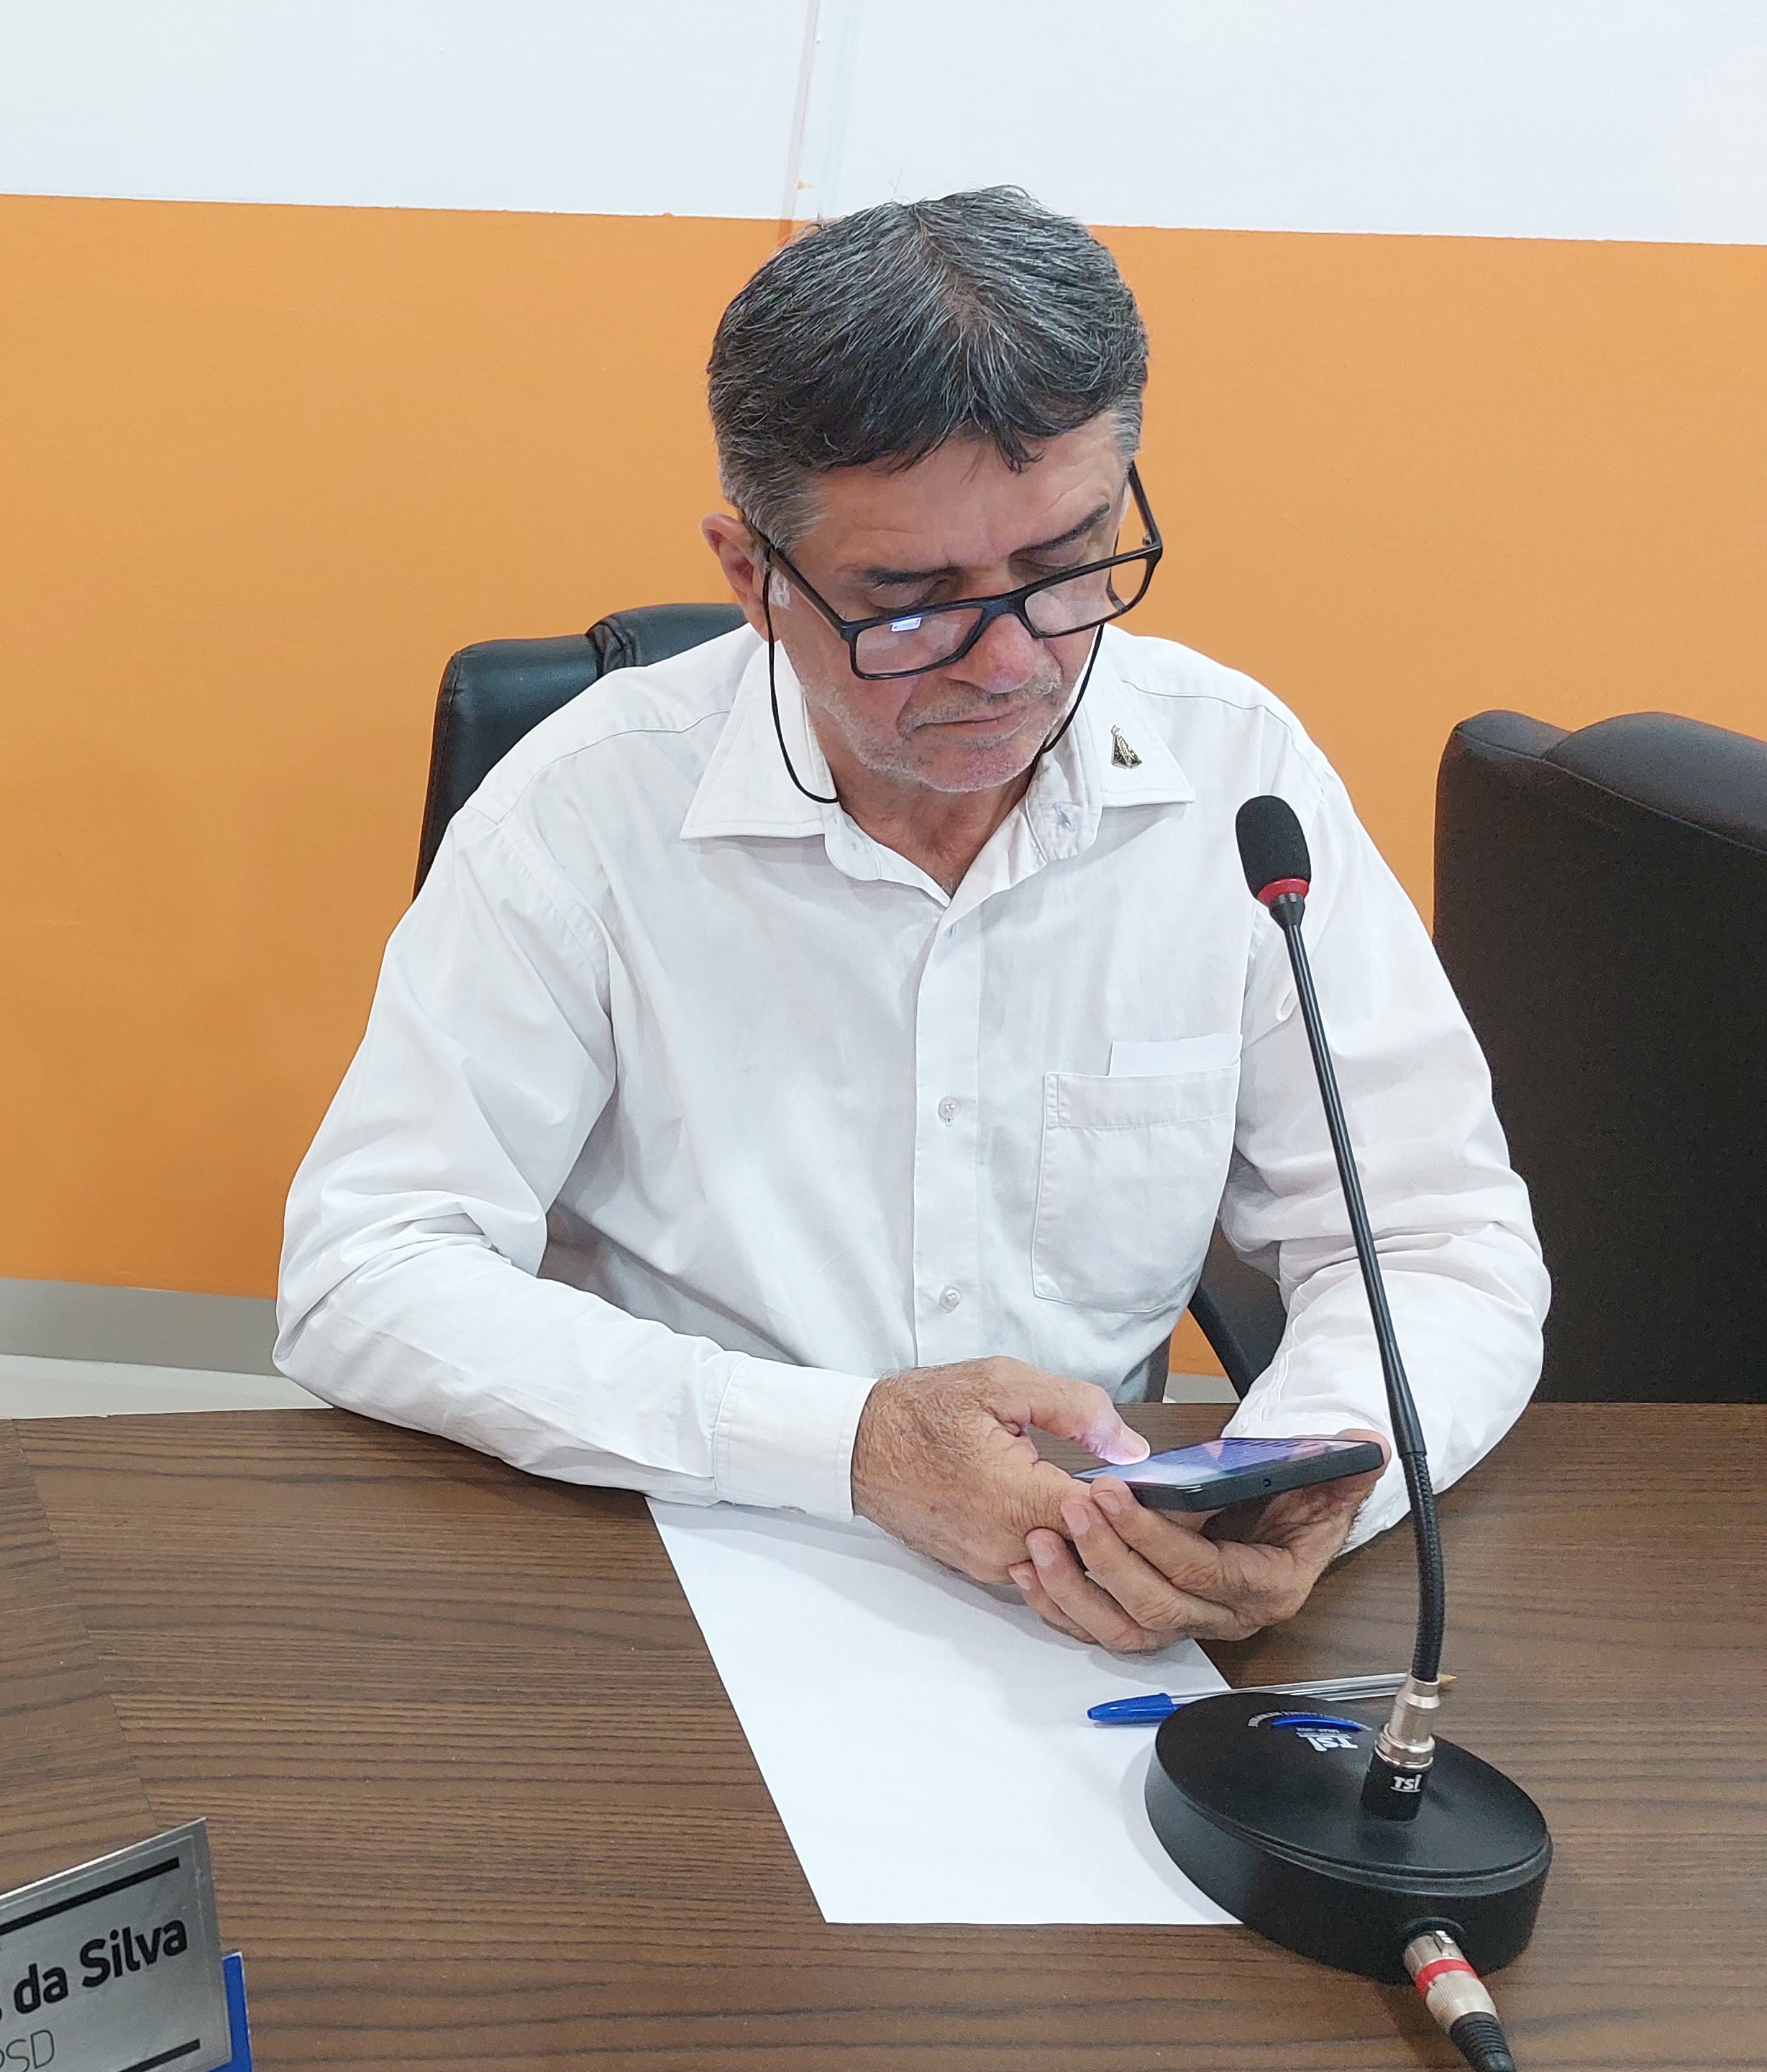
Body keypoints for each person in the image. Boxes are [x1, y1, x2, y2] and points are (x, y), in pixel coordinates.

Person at [276, 187, 1545, 1656]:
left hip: (1090, 1606)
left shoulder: (1237, 778)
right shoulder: (586, 809)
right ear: (751, 576)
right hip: (664, 1560)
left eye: (1064, 567)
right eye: (909, 599)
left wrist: (1312, 1476)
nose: (1009, 663)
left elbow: (1435, 1243)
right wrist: (844, 1446)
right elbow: (366, 1270)